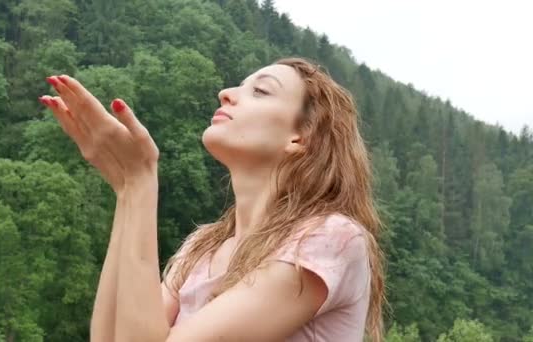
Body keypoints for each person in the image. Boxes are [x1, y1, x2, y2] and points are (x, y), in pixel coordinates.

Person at [39, 57, 385, 342]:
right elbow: (111, 338)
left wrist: (142, 182)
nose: (226, 93)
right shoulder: (201, 248)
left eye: (261, 91)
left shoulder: (330, 240)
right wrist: (127, 191)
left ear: (300, 137)